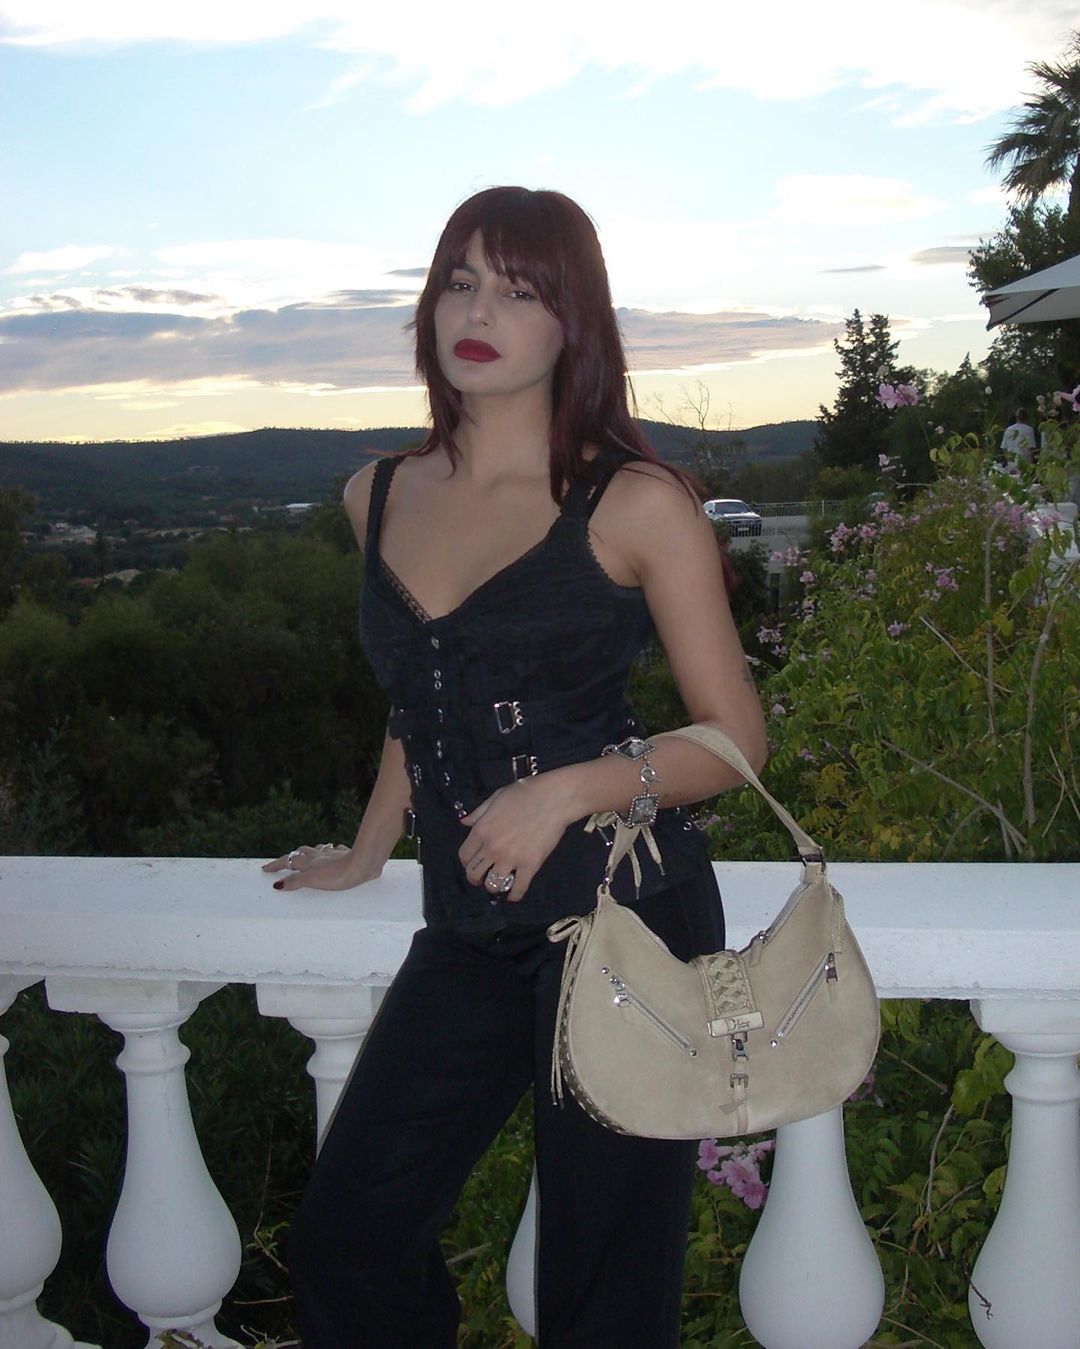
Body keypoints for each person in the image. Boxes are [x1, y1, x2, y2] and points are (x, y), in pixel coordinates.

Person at [263, 185, 767, 1348]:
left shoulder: (634, 502)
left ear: (572, 323)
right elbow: (422, 690)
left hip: (628, 916)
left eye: (520, 291)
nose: (479, 311)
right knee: (348, 1237)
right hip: (470, 924)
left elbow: (737, 737)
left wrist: (567, 787)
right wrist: (373, 843)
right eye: (461, 282)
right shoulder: (377, 493)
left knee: (604, 1290)